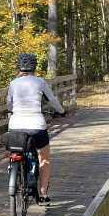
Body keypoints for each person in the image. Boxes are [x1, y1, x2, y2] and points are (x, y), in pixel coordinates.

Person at [7, 53, 65, 203]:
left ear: (19, 66)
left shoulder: (13, 83)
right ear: (34, 66)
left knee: (16, 150)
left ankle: (17, 172)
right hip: (37, 126)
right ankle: (43, 193)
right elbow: (51, 99)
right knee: (44, 159)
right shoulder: (40, 82)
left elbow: (9, 104)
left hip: (16, 126)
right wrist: (61, 111)